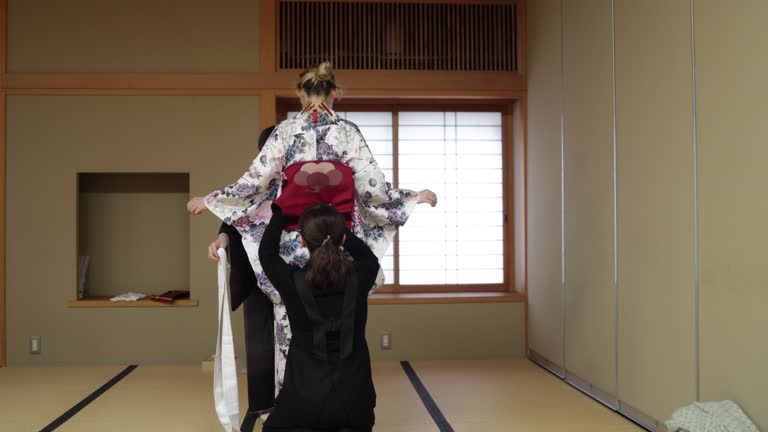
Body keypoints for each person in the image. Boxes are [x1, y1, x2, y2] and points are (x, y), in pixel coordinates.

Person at [187, 61, 437, 401]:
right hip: (339, 247)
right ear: (335, 93)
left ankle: (292, 406)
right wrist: (413, 198)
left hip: (293, 246)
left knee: (290, 330)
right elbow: (372, 191)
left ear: (299, 94)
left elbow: (254, 184)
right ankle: (343, 408)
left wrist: (212, 199)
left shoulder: (284, 133)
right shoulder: (348, 132)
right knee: (345, 324)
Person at [259, 203, 378, 432]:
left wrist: (280, 214)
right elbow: (367, 256)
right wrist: (339, 224)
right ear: (343, 239)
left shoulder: (292, 280)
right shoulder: (362, 274)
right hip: (356, 405)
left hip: (303, 402)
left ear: (302, 241)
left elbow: (266, 253)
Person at [207, 125, 276, 429]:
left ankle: (296, 402)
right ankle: (262, 404)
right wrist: (221, 241)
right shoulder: (254, 183)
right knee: (259, 340)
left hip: (295, 275)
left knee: (299, 341)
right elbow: (232, 216)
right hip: (257, 272)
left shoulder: (303, 181)